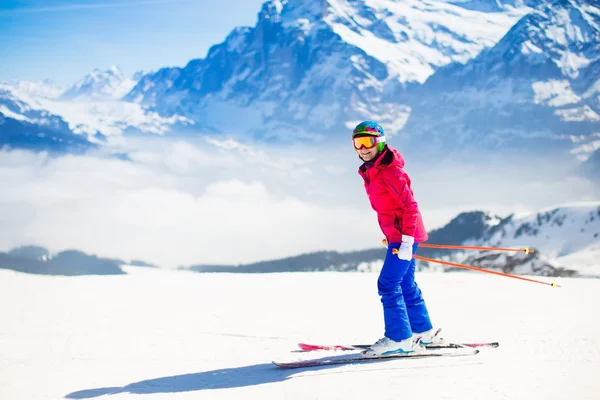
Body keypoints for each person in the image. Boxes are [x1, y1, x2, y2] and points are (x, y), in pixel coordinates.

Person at [352, 120, 445, 358]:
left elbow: (410, 207)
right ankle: (422, 333)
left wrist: (404, 240)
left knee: (388, 284)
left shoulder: (391, 171)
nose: (362, 148)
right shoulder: (374, 169)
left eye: (368, 142)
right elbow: (388, 207)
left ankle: (399, 339)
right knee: (405, 284)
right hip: (399, 234)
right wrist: (393, 235)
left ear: (380, 143)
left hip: (405, 235)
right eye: (357, 143)